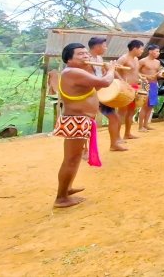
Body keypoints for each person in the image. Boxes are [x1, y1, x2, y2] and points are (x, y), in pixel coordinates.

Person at [53, 43, 115, 208]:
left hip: (80, 120)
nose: (86, 56)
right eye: (80, 54)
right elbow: (105, 82)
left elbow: (95, 84)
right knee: (71, 159)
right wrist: (111, 69)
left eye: (87, 53)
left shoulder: (78, 72)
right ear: (69, 58)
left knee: (73, 159)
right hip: (76, 120)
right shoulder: (73, 72)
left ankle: (67, 188)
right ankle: (61, 198)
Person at [88, 37, 126, 152]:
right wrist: (109, 72)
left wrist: (110, 71)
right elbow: (93, 80)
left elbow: (102, 74)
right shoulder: (88, 60)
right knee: (89, 121)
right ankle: (85, 150)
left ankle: (114, 144)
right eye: (104, 46)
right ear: (97, 46)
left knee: (114, 117)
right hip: (91, 94)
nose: (106, 48)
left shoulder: (99, 58)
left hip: (102, 92)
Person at [117, 40, 145, 139]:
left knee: (131, 111)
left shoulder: (136, 59)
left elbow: (135, 72)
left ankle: (127, 133)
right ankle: (117, 137)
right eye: (141, 49)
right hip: (126, 87)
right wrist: (122, 82)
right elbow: (115, 71)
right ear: (135, 48)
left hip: (135, 87)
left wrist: (141, 78)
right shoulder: (123, 59)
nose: (142, 51)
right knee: (122, 112)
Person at [137, 44, 163, 131]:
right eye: (156, 51)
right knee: (144, 105)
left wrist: (162, 74)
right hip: (145, 84)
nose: (158, 53)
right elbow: (136, 73)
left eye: (158, 51)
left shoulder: (158, 62)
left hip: (154, 84)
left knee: (151, 105)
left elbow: (158, 73)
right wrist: (147, 77)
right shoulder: (142, 61)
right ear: (150, 51)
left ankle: (146, 124)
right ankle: (140, 126)